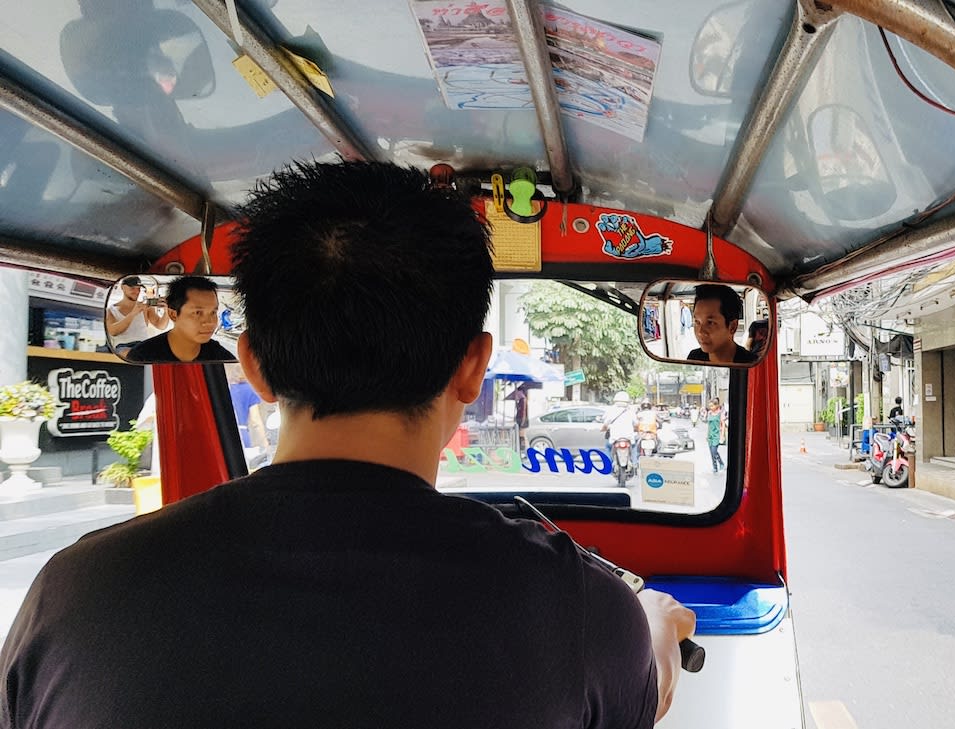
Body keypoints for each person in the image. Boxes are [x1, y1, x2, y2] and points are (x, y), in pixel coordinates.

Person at [0, 161, 695, 728]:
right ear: (473, 367)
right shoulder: (577, 610)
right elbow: (646, 689)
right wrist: (653, 624)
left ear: (255, 365)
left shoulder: (75, 595)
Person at [124, 276, 235, 363]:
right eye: (198, 313)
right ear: (173, 315)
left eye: (213, 312)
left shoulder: (218, 355)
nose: (210, 322)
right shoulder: (141, 356)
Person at [685, 284, 755, 364]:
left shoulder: (751, 364)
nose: (700, 332)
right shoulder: (694, 358)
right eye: (697, 322)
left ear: (732, 327)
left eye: (710, 322)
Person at [104, 275, 167, 355]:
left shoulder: (145, 307)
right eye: (132, 288)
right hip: (123, 347)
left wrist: (166, 311)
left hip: (143, 345)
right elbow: (113, 331)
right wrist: (133, 313)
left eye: (138, 289)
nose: (136, 292)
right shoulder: (111, 310)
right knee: (132, 354)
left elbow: (161, 325)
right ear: (123, 287)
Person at [705, 398, 724, 474]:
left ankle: (721, 463)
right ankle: (715, 467)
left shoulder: (720, 414)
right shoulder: (709, 413)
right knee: (712, 453)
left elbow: (722, 425)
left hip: (716, 435)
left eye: (712, 406)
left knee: (714, 451)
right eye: (710, 406)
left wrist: (722, 436)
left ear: (716, 406)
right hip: (710, 436)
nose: (710, 407)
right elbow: (708, 425)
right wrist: (707, 435)